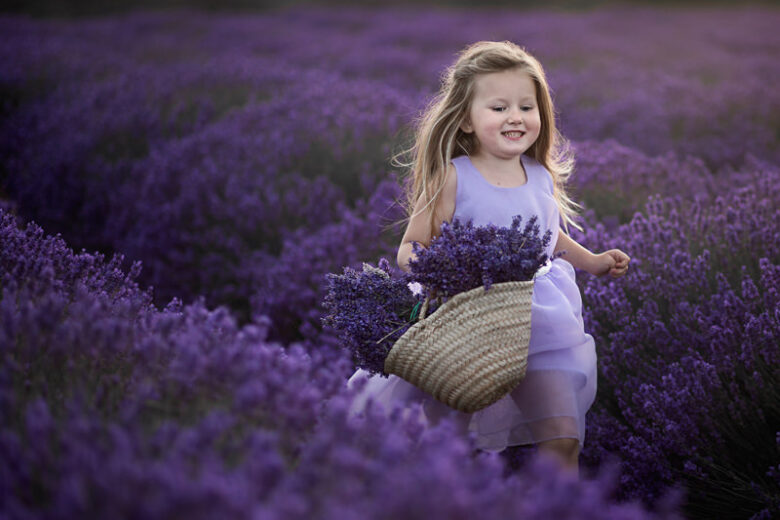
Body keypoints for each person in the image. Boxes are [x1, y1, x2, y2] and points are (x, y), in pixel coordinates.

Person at [346, 40, 630, 479]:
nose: (515, 117)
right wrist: (436, 274)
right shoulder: (454, 177)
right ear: (465, 119)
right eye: (498, 107)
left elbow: (547, 233)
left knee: (563, 437)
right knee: (449, 440)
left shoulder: (539, 176)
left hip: (540, 319)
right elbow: (409, 248)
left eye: (526, 106)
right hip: (464, 315)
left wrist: (592, 261)